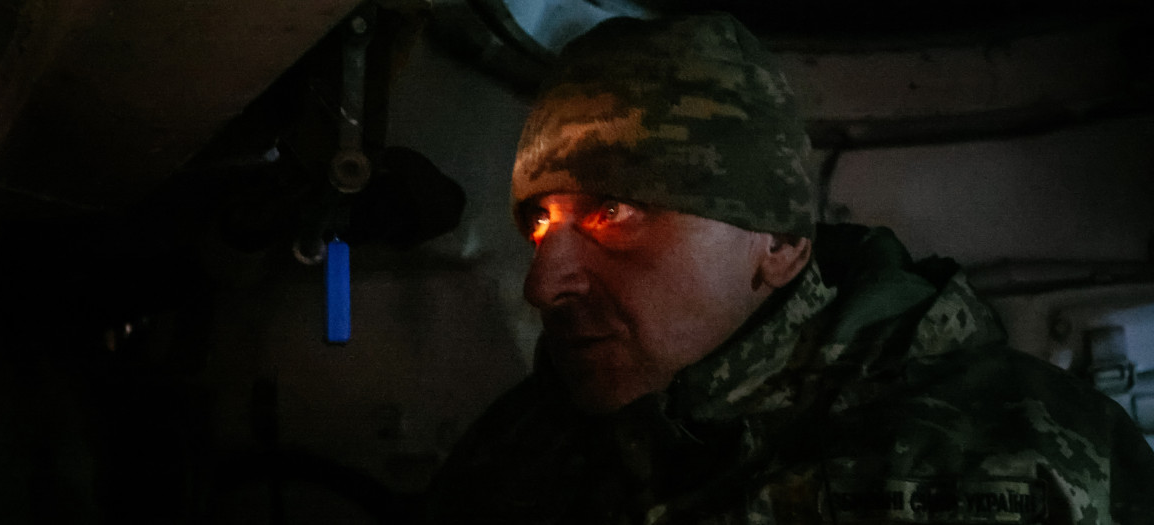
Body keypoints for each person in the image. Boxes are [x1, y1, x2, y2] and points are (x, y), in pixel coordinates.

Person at [421, 12, 1154, 524]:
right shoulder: (522, 450)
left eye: (612, 211)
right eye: (539, 224)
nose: (543, 282)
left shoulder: (1009, 456)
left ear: (777, 244)